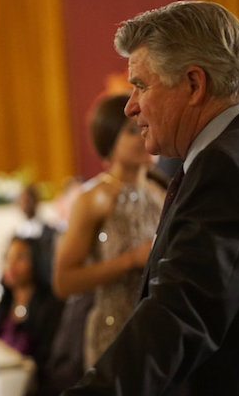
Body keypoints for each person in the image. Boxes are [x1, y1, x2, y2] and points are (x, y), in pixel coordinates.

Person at [64, 1, 239, 396]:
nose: (130, 106)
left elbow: (180, 318)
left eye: (141, 85)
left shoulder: (225, 168)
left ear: (194, 85)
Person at [53, 94, 163, 371]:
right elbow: (63, 282)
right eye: (131, 130)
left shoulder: (161, 193)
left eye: (146, 124)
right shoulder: (94, 198)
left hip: (157, 330)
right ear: (109, 140)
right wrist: (131, 260)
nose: (143, 134)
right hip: (113, 332)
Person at [0, 236, 64, 396]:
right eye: (7, 257)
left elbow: (48, 361)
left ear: (37, 261)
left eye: (20, 257)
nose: (11, 264)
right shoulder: (4, 304)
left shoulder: (51, 306)